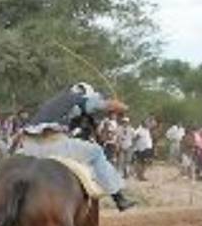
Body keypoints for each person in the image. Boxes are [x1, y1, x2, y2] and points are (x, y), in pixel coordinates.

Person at [19, 82, 135, 211]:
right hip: (52, 144)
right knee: (96, 152)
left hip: (29, 146)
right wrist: (119, 106)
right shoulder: (79, 99)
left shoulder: (54, 102)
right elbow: (99, 105)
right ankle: (118, 197)